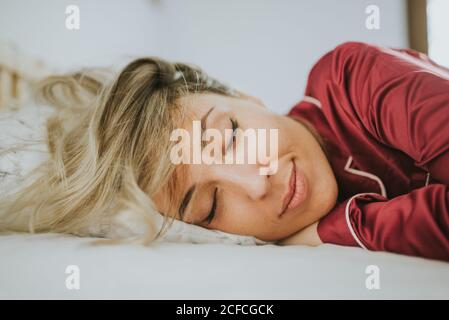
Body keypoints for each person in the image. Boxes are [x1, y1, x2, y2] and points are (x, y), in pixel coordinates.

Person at [1, 41, 448, 261]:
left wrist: (341, 228)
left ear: (246, 97)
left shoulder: (352, 77)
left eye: (232, 135)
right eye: (211, 206)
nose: (257, 182)